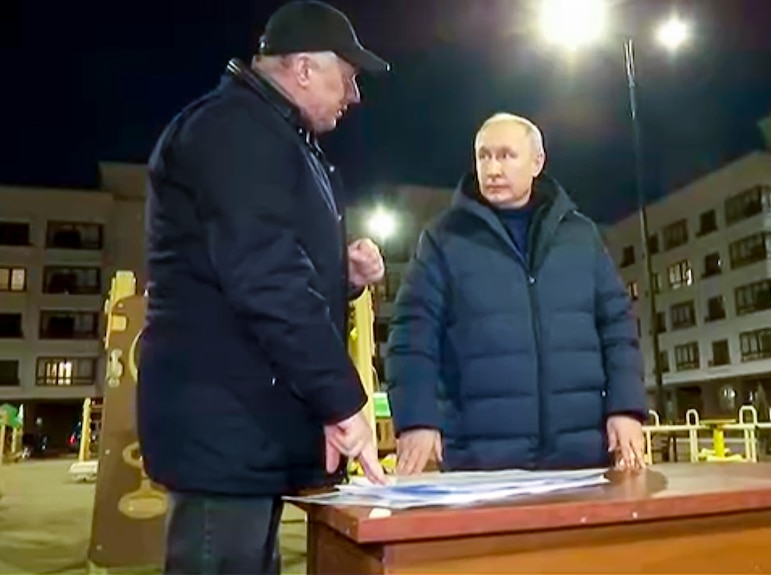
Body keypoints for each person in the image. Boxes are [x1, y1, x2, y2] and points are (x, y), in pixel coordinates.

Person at [137, 2, 389, 573]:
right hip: (224, 428)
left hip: (250, 428)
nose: (355, 97)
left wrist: (337, 272)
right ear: (303, 68)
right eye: (347, 78)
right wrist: (342, 399)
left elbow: (260, 261)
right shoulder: (236, 132)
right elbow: (265, 277)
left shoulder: (276, 137)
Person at [386, 112, 648, 476]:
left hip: (580, 457)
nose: (492, 168)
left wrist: (626, 409)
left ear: (537, 162)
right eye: (483, 156)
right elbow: (412, 336)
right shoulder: (443, 239)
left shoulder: (581, 237)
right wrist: (416, 420)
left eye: (506, 155)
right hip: (480, 461)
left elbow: (618, 328)